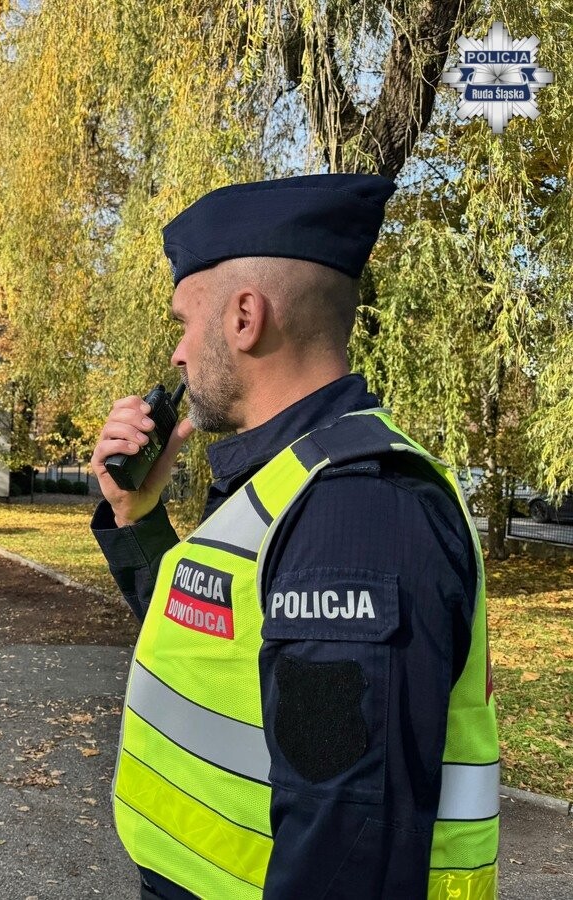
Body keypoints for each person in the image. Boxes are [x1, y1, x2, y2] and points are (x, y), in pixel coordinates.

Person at [89, 175, 498, 900]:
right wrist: (136, 516)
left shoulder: (356, 514)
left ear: (245, 317)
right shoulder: (289, 481)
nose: (178, 353)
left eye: (186, 321)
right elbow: (209, 653)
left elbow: (346, 853)